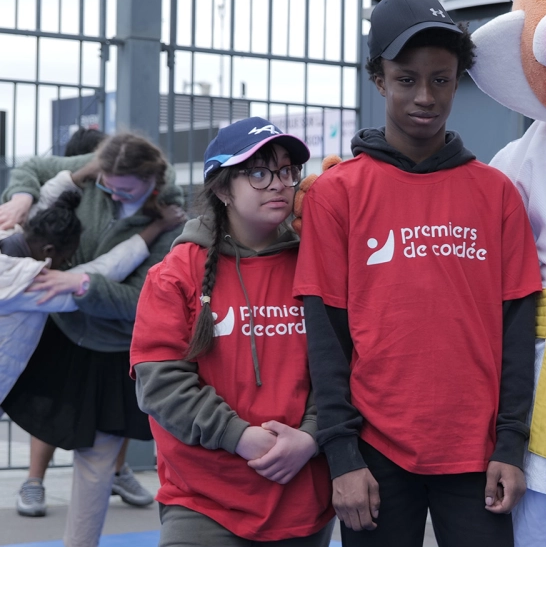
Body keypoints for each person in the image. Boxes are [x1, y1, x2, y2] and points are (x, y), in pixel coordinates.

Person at [294, 0, 542, 550]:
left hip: (476, 456)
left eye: (442, 79)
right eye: (406, 79)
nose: (425, 96)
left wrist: (510, 444)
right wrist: (342, 456)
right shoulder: (338, 194)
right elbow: (326, 339)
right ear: (379, 80)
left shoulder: (496, 194)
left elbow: (518, 328)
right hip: (374, 456)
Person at [130, 117, 334, 552]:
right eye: (258, 173)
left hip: (301, 496)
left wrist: (312, 436)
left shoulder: (318, 264)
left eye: (286, 171)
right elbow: (161, 384)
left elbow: (343, 365)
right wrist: (236, 435)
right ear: (223, 189)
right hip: (202, 502)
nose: (278, 184)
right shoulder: (175, 274)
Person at [0, 132, 185, 548]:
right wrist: (23, 196)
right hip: (61, 336)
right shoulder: (95, 173)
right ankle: (35, 482)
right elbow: (33, 172)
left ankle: (78, 557)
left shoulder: (171, 217)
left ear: (151, 181)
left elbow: (141, 298)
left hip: (109, 349)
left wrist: (81, 285)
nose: (112, 192)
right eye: (105, 183)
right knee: (52, 428)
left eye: (125, 189)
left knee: (97, 460)